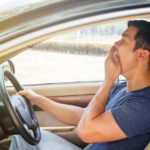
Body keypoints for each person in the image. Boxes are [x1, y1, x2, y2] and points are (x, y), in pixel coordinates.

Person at [9, 20, 150, 150]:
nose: (116, 43)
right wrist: (38, 99)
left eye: (123, 40)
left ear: (142, 55)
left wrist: (108, 80)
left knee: (22, 141)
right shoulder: (123, 88)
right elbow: (84, 116)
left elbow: (85, 131)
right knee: (24, 136)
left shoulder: (144, 105)